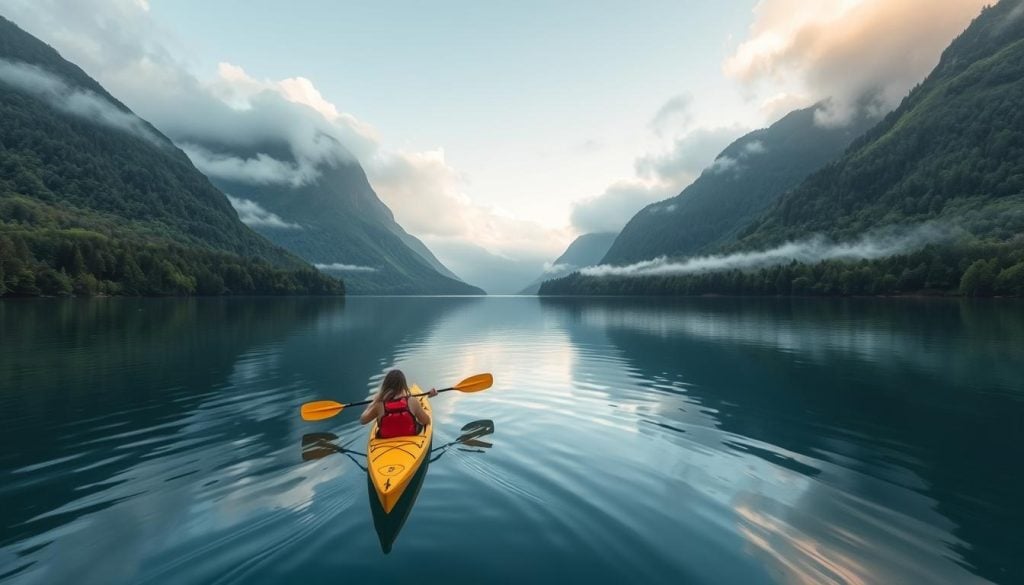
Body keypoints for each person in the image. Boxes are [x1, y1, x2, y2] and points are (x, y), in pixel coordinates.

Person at [360, 369, 437, 438]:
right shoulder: (412, 401)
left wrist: (374, 402)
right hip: (411, 437)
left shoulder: (379, 405)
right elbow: (427, 421)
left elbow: (363, 420)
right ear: (403, 385)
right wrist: (425, 400)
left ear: (386, 385)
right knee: (419, 419)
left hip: (385, 438)